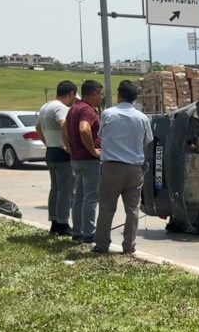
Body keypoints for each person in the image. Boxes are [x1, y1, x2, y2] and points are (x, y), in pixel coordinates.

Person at [93, 81, 152, 255]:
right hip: (134, 169)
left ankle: (102, 245)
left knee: (106, 208)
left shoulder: (108, 114)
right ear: (135, 98)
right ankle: (129, 246)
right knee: (132, 210)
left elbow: (101, 135)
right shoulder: (142, 118)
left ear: (119, 96)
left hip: (112, 167)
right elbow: (147, 140)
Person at [36, 81, 77, 236]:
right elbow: (63, 125)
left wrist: (48, 142)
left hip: (51, 152)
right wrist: (68, 146)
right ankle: (63, 224)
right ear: (71, 93)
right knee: (65, 191)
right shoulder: (61, 108)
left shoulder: (45, 106)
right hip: (62, 154)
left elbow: (37, 128)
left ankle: (54, 222)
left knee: (55, 189)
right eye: (74, 96)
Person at [65, 80, 103, 244]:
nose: (100, 98)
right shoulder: (87, 110)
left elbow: (63, 128)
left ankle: (77, 233)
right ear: (94, 93)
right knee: (91, 198)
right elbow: (84, 129)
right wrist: (92, 150)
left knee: (79, 197)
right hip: (88, 160)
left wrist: (69, 147)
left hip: (76, 159)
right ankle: (89, 235)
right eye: (100, 94)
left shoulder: (74, 108)